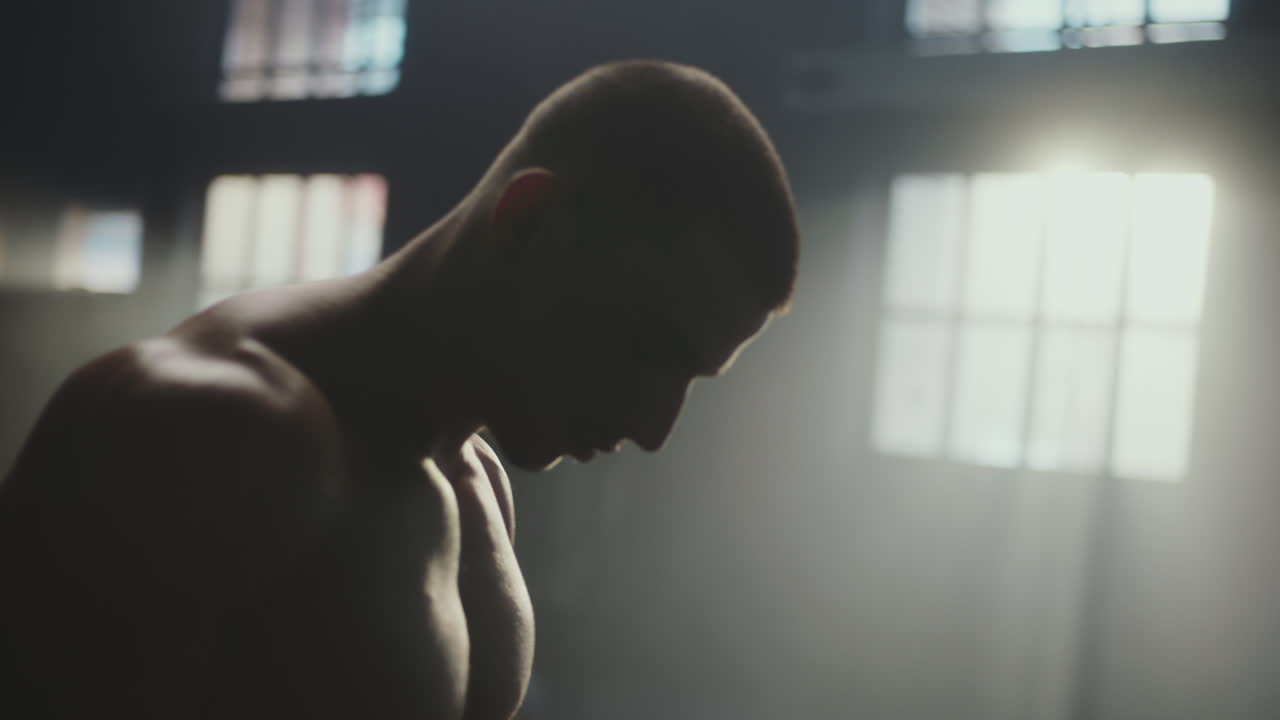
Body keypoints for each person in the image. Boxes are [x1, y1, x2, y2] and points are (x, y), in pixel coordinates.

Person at [0, 59, 799, 719]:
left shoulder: (476, 482)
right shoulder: (201, 432)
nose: (655, 428)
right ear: (530, 222)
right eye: (646, 349)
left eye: (691, 379)